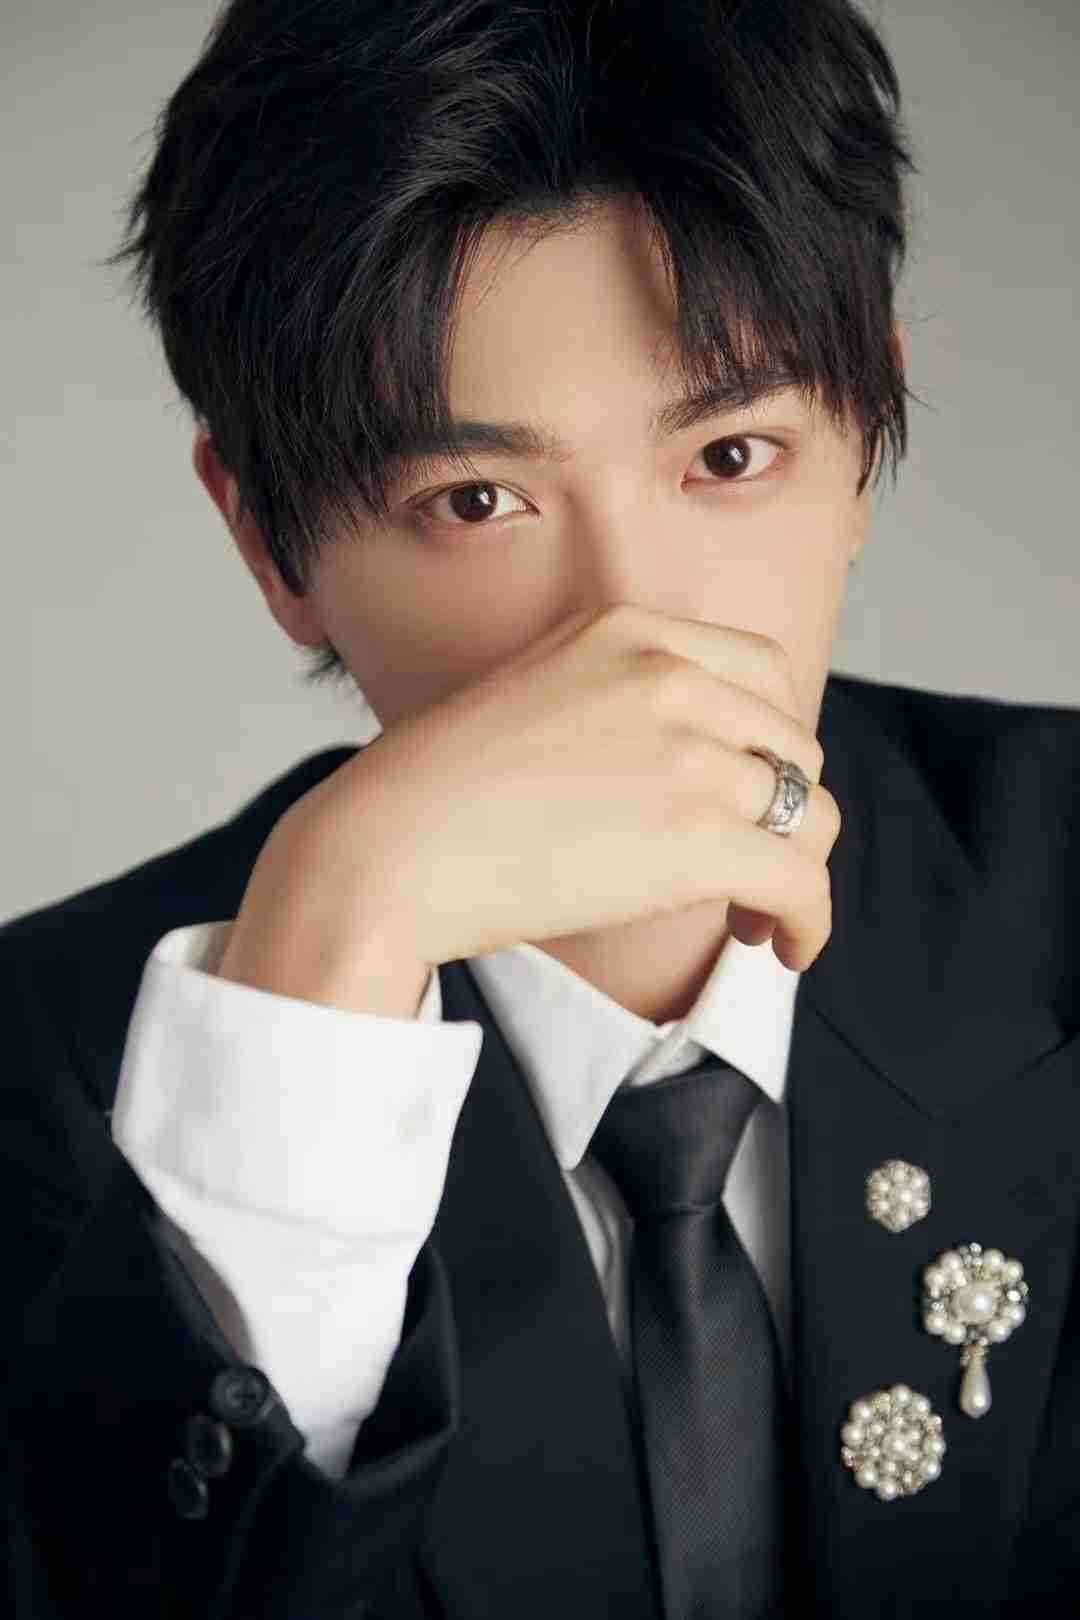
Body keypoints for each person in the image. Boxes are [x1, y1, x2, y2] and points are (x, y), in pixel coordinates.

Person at [4, 1, 1078, 1615]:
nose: (631, 628)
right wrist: (333, 938)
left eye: (731, 456)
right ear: (272, 544)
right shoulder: (39, 1071)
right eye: (478, 500)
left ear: (863, 443)